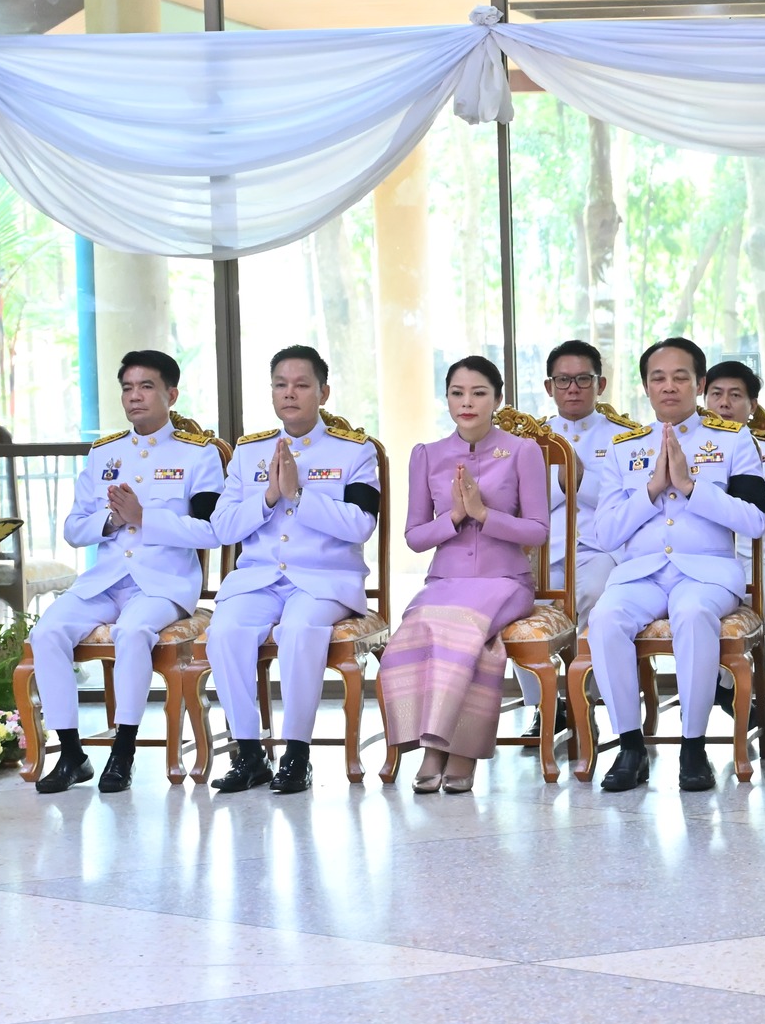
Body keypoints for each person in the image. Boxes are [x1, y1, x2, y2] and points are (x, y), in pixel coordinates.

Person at [30, 352, 223, 794]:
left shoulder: (199, 456)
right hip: (105, 581)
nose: (134, 397)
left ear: (171, 395)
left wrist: (142, 517)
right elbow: (74, 530)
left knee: (133, 631)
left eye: (146, 387)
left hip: (163, 584)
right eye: (127, 388)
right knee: (47, 632)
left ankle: (123, 751)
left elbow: (212, 531)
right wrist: (113, 521)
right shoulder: (104, 453)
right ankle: (73, 754)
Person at [587, 338, 765, 792]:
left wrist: (690, 487)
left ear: (700, 383)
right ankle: (630, 746)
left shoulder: (732, 439)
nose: (669, 387)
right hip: (641, 574)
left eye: (680, 377)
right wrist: (651, 490)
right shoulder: (622, 447)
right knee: (605, 617)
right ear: (646, 387)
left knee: (692, 612)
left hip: (707, 574)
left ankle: (693, 746)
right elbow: (607, 534)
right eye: (658, 378)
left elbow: (754, 520)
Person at [206, 346, 381, 794]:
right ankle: (249, 753)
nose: (290, 393)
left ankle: (297, 754)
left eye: (302, 385)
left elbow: (361, 524)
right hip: (261, 578)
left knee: (300, 629)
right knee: (224, 629)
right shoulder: (248, 454)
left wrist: (301, 496)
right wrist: (267, 498)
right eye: (281, 385)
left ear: (323, 392)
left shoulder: (354, 451)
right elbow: (223, 526)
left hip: (324, 580)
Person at [377, 357, 549, 794]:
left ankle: (457, 752)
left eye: (478, 393)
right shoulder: (427, 456)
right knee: (418, 629)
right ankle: (435, 745)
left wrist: (484, 514)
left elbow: (539, 531)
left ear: (497, 398)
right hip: (444, 582)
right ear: (447, 398)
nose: (467, 402)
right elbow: (415, 537)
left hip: (504, 581)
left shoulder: (522, 451)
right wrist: (453, 518)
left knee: (464, 630)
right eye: (457, 392)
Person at [530, 339, 639, 747]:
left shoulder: (626, 438)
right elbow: (521, 500)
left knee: (593, 590)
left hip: (600, 548)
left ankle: (586, 700)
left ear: (601, 383)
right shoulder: (530, 440)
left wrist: (578, 479)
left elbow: (633, 497)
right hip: (544, 548)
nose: (572, 388)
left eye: (582, 379)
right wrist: (562, 483)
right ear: (549, 387)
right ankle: (546, 705)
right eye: (563, 380)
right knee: (516, 600)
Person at [703, 360, 765, 613]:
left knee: (751, 605)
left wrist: (746, 504)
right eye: (716, 394)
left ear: (752, 405)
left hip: (755, 554)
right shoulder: (687, 446)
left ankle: (747, 652)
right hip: (699, 552)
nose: (724, 403)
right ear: (704, 399)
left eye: (735, 395)